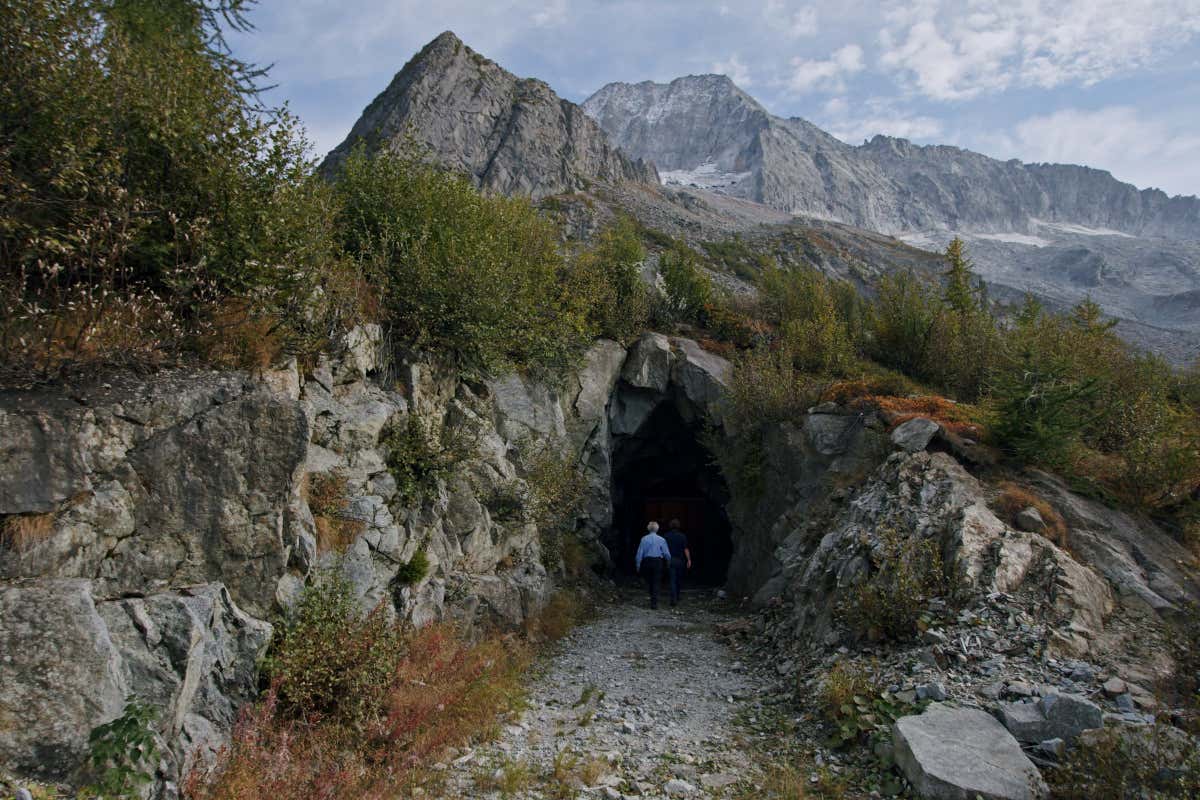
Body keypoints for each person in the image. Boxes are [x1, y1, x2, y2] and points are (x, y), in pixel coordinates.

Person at [634, 521, 672, 609]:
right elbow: (666, 553)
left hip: (647, 561)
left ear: (648, 528)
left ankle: (652, 598)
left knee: (649, 581)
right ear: (657, 529)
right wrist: (668, 561)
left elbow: (640, 553)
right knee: (656, 581)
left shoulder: (644, 539)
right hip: (657, 561)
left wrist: (638, 564)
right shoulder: (662, 540)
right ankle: (654, 602)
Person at [662, 518, 691, 606]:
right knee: (679, 579)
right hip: (680, 560)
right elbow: (685, 549)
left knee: (672, 580)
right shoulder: (682, 536)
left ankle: (673, 598)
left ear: (670, 526)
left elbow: (663, 549)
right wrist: (689, 559)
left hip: (670, 560)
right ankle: (677, 596)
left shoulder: (666, 536)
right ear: (678, 526)